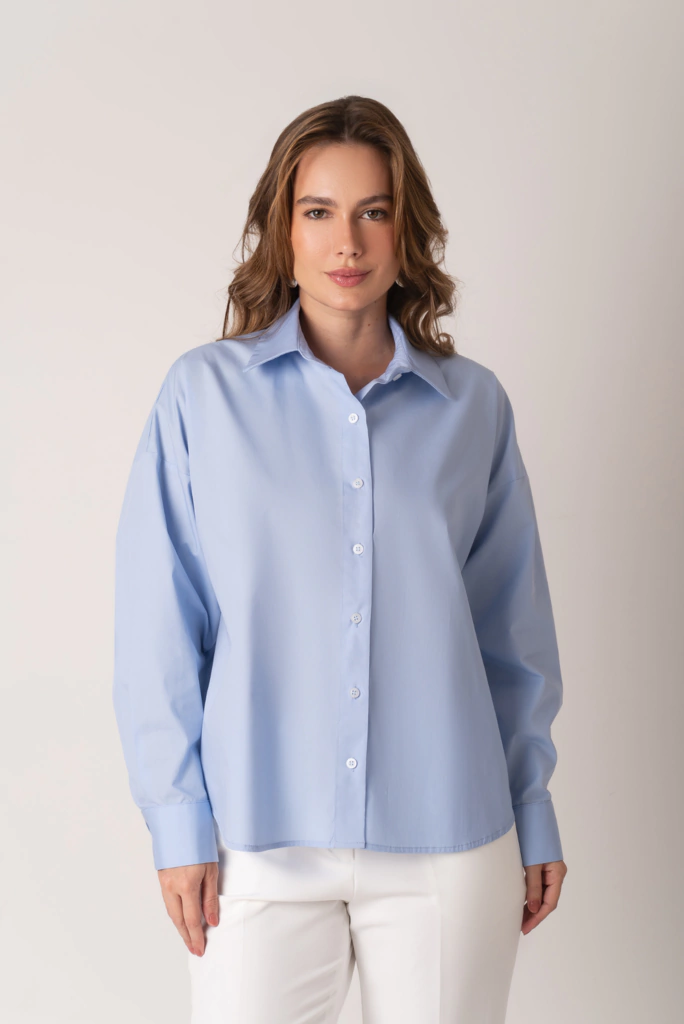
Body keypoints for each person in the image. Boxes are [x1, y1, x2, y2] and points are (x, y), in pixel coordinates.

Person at [113, 94, 568, 1023]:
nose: (347, 242)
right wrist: (177, 819)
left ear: (408, 231)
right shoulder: (202, 397)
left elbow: (511, 634)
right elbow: (160, 624)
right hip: (254, 842)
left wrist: (533, 806)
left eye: (375, 211)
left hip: (449, 839)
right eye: (318, 211)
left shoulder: (472, 407)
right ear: (283, 230)